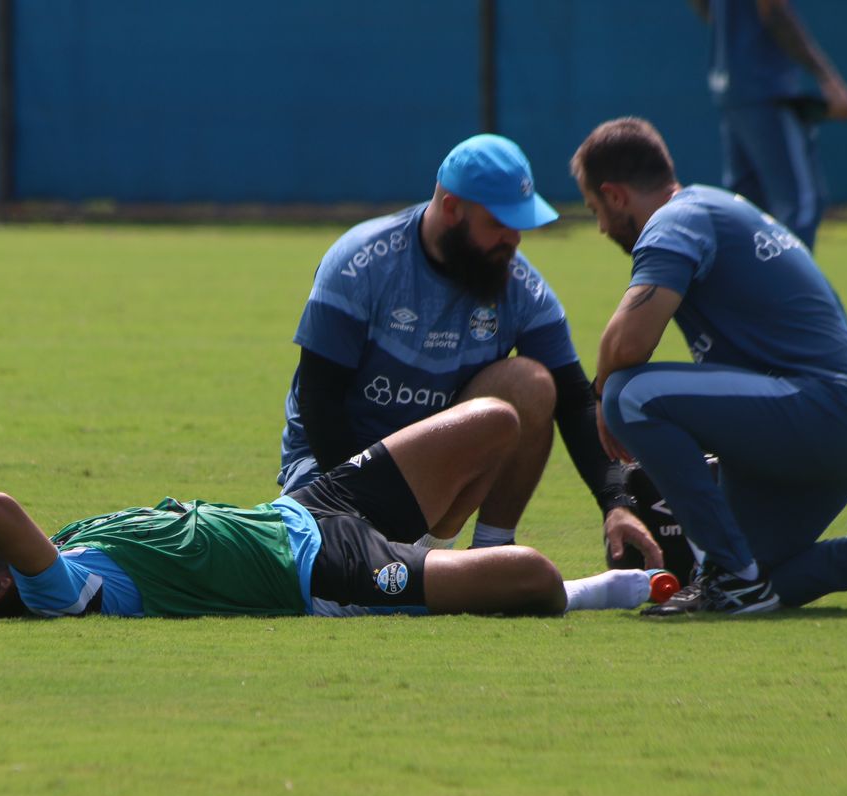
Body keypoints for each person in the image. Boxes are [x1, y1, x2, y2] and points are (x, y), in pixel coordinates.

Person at [570, 116, 847, 616]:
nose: (599, 225)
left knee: (628, 394)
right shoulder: (713, 205)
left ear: (615, 195)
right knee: (752, 575)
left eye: (596, 209)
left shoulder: (676, 217)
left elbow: (630, 341)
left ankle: (734, 577)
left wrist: (600, 396)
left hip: (819, 410)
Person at [0, 400, 678, 620]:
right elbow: (0, 510)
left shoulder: (59, 550)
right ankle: (595, 592)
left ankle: (435, 551)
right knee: (536, 579)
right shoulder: (53, 597)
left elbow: (4, 516)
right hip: (322, 572)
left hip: (307, 511)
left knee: (499, 421)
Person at [278, 133, 662, 571]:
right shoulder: (361, 264)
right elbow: (319, 399)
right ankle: (390, 547)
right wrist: (353, 515)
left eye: (519, 224)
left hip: (431, 478)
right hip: (335, 475)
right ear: (451, 209)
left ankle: (487, 555)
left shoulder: (521, 287)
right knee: (316, 571)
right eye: (499, 223)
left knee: (531, 382)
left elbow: (574, 402)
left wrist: (616, 501)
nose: (514, 240)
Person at [687, 0, 847, 248]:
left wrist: (731, 27)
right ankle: (790, 287)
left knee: (746, 213)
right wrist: (826, 76)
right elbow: (774, 11)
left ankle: (743, 286)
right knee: (799, 207)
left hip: (732, 84)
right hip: (766, 85)